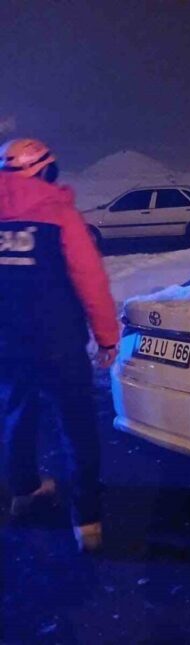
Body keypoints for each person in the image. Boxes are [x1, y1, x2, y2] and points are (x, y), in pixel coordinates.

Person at [0, 138, 119, 553]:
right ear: (43, 169)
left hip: (7, 346)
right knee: (78, 428)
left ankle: (23, 491)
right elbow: (91, 282)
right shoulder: (59, 213)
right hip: (58, 345)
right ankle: (87, 520)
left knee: (17, 416)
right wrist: (107, 338)